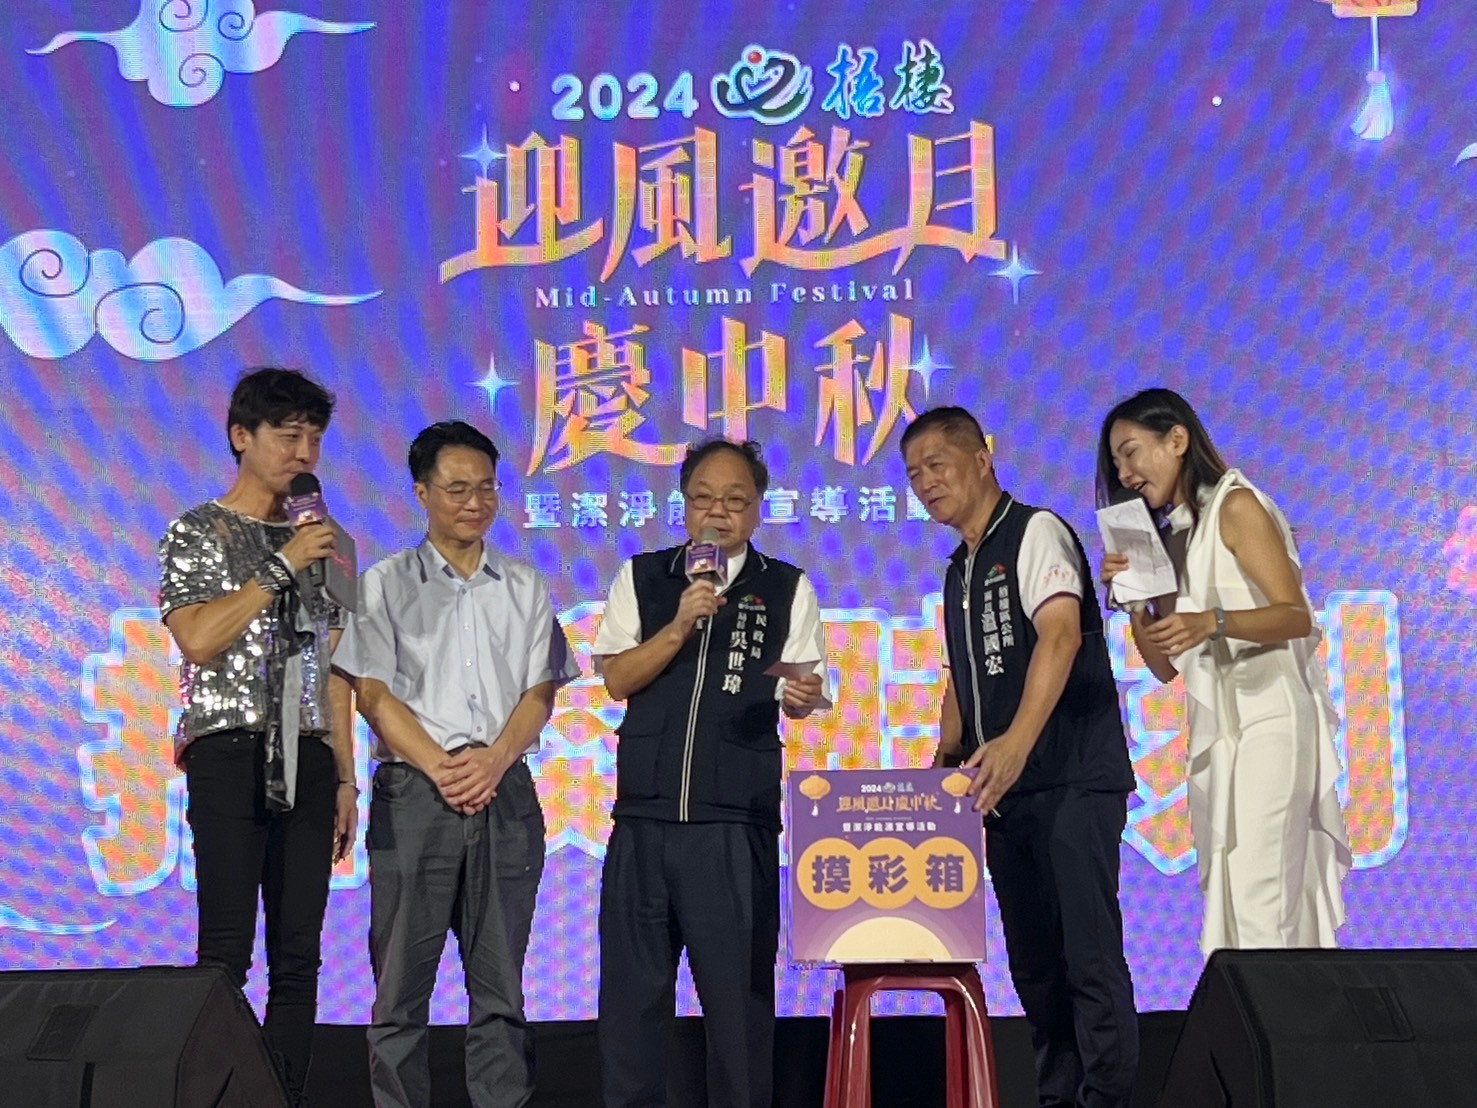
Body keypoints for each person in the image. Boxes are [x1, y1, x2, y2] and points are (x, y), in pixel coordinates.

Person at [332, 420, 579, 1108]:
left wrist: (494, 760)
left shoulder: (523, 585)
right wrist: (442, 768)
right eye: (457, 488)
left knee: (501, 990)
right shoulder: (383, 584)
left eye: (487, 488)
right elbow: (372, 695)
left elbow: (540, 692)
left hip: (505, 790)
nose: (475, 502)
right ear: (422, 493)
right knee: (398, 991)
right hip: (416, 792)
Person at [901, 406, 1139, 1108]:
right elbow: (962, 677)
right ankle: (1057, 1098)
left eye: (937, 464)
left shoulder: (1034, 533)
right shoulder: (958, 570)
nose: (926, 482)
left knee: (1087, 958)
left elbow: (1059, 636)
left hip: (1069, 779)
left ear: (982, 458)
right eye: (913, 474)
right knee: (1035, 969)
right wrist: (943, 760)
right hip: (1002, 795)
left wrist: (1016, 742)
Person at [592, 438, 829, 1108]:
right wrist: (678, 625)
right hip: (643, 822)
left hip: (733, 826)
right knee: (631, 1009)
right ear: (683, 503)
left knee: (738, 1012)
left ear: (757, 509)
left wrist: (802, 695)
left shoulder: (786, 587)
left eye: (733, 500)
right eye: (702, 498)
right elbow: (616, 677)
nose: (716, 512)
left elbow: (802, 687)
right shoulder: (644, 577)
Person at [159, 367, 357, 1105]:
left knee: (298, 957)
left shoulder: (330, 543)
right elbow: (199, 638)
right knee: (224, 954)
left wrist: (346, 776)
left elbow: (336, 669)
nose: (303, 453)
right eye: (288, 435)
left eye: (314, 438)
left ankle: (284, 1096)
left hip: (309, 755)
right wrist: (279, 566)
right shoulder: (197, 530)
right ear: (242, 436)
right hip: (228, 750)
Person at [1096, 387, 1349, 955]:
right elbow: (1163, 665)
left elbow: (1294, 615)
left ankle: (1276, 1011)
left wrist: (1212, 620)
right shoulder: (1171, 536)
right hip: (1219, 732)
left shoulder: (1236, 506)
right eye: (1116, 463)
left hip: (1271, 718)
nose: (1125, 473)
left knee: (1260, 897)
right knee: (1230, 899)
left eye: (1131, 452)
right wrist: (1134, 600)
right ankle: (1265, 1010)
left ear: (1177, 440)